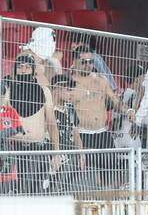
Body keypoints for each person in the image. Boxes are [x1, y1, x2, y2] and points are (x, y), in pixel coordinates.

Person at [70, 46, 130, 186]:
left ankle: (105, 202)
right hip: (83, 135)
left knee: (109, 174)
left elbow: (114, 101)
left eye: (91, 62)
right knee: (87, 178)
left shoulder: (101, 80)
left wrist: (128, 111)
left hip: (103, 134)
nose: (88, 65)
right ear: (75, 61)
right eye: (84, 62)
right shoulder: (70, 82)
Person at [7, 54, 60, 193]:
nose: (23, 70)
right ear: (15, 70)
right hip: (13, 152)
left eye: (27, 67)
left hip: (38, 151)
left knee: (35, 195)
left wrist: (56, 153)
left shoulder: (44, 91)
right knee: (15, 195)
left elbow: (52, 125)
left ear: (33, 70)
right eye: (20, 67)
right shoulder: (7, 91)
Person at [49, 73, 87, 193]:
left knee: (63, 191)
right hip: (51, 157)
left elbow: (75, 133)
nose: (71, 93)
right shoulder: (48, 109)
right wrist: (55, 156)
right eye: (68, 89)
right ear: (56, 88)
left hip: (70, 157)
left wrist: (81, 155)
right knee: (48, 192)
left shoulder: (70, 108)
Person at [0, 80, 24, 194]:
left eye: (2, 93)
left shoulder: (11, 112)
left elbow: (21, 133)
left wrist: (5, 135)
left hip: (8, 165)